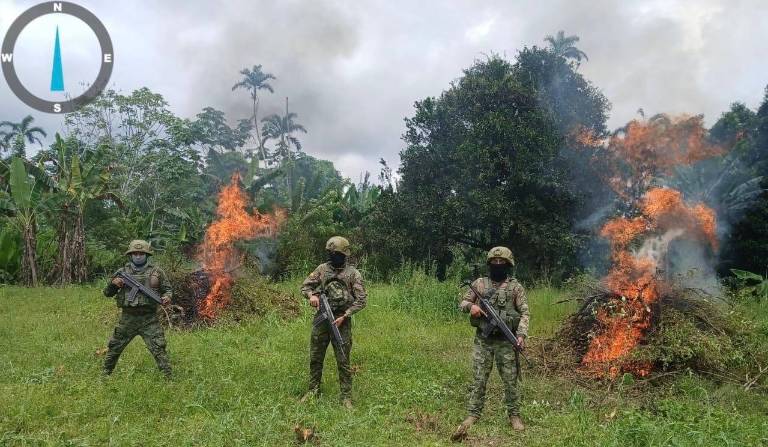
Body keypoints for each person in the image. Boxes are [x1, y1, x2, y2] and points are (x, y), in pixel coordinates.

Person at [452, 246, 530, 440]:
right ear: (489, 264)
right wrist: (472, 307)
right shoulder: (479, 284)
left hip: (506, 341)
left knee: (510, 381)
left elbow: (525, 313)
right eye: (494, 263)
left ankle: (514, 415)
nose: (497, 265)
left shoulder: (515, 288)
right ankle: (473, 414)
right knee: (479, 378)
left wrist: (520, 335)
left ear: (508, 265)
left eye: (501, 263)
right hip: (483, 341)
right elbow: (462, 302)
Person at [300, 236, 367, 408]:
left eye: (336, 253)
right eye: (330, 253)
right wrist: (312, 296)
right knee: (316, 356)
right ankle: (313, 390)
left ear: (344, 254)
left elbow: (361, 300)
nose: (332, 256)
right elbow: (305, 287)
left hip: (341, 320)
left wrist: (345, 315)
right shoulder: (322, 269)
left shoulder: (353, 274)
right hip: (322, 318)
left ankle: (346, 397)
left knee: (343, 359)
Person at [102, 239, 173, 378]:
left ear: (147, 255)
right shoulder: (122, 272)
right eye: (135, 253)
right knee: (114, 347)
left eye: (141, 253)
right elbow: (107, 293)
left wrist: (167, 297)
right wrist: (113, 284)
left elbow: (168, 290)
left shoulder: (157, 272)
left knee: (159, 348)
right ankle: (104, 375)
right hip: (127, 318)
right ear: (131, 255)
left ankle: (169, 378)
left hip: (149, 318)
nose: (138, 256)